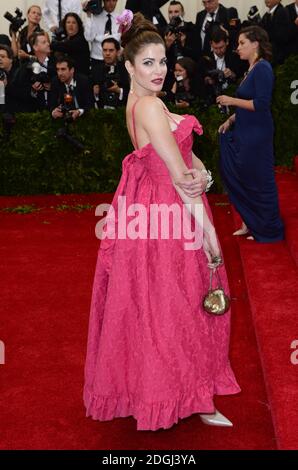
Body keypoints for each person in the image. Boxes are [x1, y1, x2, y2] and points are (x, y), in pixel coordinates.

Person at [83, 11, 240, 432]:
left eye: (162, 62)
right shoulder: (150, 106)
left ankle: (182, 393)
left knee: (157, 313)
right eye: (148, 63)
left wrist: (202, 172)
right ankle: (188, 395)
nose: (158, 70)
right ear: (129, 66)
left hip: (150, 215)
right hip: (172, 219)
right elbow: (182, 179)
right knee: (182, 311)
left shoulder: (143, 103)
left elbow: (184, 158)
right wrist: (209, 237)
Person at [217, 26, 284, 242]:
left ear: (255, 44)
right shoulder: (252, 69)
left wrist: (231, 101)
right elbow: (249, 104)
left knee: (260, 180)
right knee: (245, 178)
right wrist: (231, 118)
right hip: (246, 130)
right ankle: (251, 222)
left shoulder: (263, 68)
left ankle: (268, 229)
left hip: (257, 134)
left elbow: (261, 104)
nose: (238, 48)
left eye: (242, 43)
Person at [51, 13, 90, 77]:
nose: (70, 25)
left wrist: (47, 45)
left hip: (80, 78)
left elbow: (65, 46)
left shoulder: (80, 39)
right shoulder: (67, 38)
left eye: (74, 23)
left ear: (78, 25)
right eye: (68, 22)